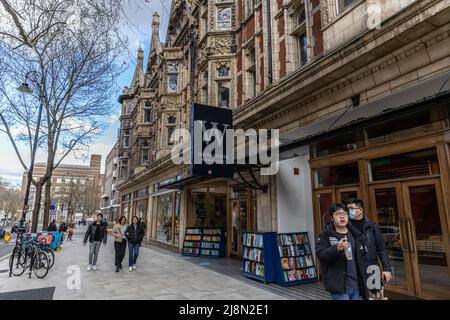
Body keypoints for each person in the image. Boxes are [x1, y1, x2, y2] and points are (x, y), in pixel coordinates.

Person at [315, 203, 369, 300]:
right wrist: (336, 248)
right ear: (332, 218)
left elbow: (363, 256)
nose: (342, 216)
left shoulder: (355, 234)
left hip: (356, 282)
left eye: (344, 214)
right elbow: (320, 254)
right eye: (337, 214)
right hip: (338, 284)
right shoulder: (325, 235)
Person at [346, 199, 392, 290]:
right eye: (347, 209)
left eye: (351, 208)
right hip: (353, 269)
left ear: (360, 210)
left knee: (374, 295)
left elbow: (381, 248)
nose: (348, 211)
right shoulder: (346, 227)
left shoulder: (372, 226)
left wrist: (387, 269)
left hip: (371, 268)